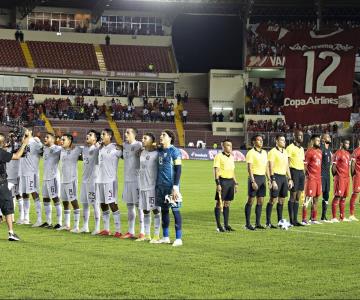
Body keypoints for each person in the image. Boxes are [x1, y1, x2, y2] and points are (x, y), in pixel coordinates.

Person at [153, 130, 183, 246]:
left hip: (171, 186)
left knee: (175, 211)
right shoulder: (160, 150)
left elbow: (179, 169)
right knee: (164, 211)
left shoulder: (174, 151)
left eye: (163, 135)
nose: (161, 136)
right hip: (161, 186)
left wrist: (175, 187)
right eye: (160, 134)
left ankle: (178, 238)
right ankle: (165, 237)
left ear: (170, 138)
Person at [0, 132, 30, 241]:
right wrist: (24, 143)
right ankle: (11, 233)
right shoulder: (1, 153)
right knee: (8, 208)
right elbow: (17, 156)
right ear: (2, 144)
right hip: (1, 185)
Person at [96, 129, 123, 237]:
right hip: (100, 179)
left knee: (112, 203)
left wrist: (122, 147)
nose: (101, 136)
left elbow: (125, 155)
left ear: (110, 136)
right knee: (103, 204)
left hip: (110, 180)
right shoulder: (101, 148)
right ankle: (106, 229)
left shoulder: (115, 148)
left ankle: (118, 230)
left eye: (104, 134)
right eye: (101, 134)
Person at [136, 132, 161, 242]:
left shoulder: (157, 153)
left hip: (152, 186)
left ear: (152, 140)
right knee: (145, 210)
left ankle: (156, 235)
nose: (142, 139)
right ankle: (147, 235)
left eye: (145, 138)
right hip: (142, 186)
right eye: (142, 138)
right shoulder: (142, 152)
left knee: (155, 210)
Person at [266, 134, 293, 228]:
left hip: (283, 177)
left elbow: (286, 167)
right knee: (273, 199)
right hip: (276, 176)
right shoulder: (272, 152)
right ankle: (268, 222)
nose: (284, 142)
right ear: (276, 141)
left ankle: (280, 221)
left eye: (284, 140)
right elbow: (270, 167)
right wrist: (272, 180)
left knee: (282, 200)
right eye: (281, 140)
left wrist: (290, 179)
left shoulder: (285, 152)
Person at [121, 128, 144, 239]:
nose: (125, 134)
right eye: (125, 132)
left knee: (139, 206)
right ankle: (130, 231)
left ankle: (143, 231)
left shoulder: (140, 145)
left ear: (134, 134)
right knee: (129, 206)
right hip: (127, 180)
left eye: (128, 132)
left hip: (137, 180)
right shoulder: (124, 145)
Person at [58, 134, 82, 232]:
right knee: (65, 202)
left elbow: (86, 149)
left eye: (64, 139)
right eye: (61, 139)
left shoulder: (77, 150)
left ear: (70, 140)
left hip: (71, 180)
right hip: (63, 180)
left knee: (74, 201)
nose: (61, 141)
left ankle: (76, 226)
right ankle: (66, 224)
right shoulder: (61, 150)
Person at [19, 128, 43, 226]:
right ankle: (26, 218)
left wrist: (40, 143)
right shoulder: (23, 141)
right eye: (24, 130)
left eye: (26, 130)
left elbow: (42, 152)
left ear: (30, 131)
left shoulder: (35, 141)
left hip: (31, 171)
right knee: (24, 193)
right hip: (23, 171)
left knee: (34, 193)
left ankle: (39, 219)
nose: (25, 131)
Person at [213, 139, 238, 232]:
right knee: (219, 203)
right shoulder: (218, 156)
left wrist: (235, 183)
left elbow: (233, 171)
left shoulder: (231, 157)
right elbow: (216, 171)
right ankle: (219, 225)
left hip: (230, 181)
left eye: (231, 145)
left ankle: (226, 225)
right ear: (223, 146)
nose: (230, 147)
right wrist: (217, 183)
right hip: (222, 181)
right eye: (227, 145)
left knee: (227, 203)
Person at [80, 130, 101, 234]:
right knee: (84, 204)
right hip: (84, 181)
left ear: (95, 139)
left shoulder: (97, 149)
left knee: (94, 204)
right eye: (87, 134)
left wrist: (99, 146)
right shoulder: (84, 149)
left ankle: (97, 228)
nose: (87, 136)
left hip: (93, 181)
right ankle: (85, 226)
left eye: (90, 135)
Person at [244, 134, 268, 230]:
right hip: (254, 178)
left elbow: (266, 167)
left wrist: (269, 179)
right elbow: (249, 168)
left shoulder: (265, 153)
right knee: (251, 200)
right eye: (258, 140)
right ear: (254, 142)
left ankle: (257, 223)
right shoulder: (251, 153)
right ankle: (247, 224)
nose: (261, 141)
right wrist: (253, 181)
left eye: (261, 140)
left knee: (261, 201)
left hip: (262, 178)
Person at [41, 132, 62, 229]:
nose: (45, 138)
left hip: (53, 177)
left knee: (55, 198)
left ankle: (59, 222)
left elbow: (65, 150)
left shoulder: (57, 149)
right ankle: (48, 222)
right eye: (45, 137)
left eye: (47, 137)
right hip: (45, 177)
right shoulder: (45, 149)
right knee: (45, 198)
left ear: (53, 140)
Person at [286, 130, 305, 226]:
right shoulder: (290, 148)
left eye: (302, 136)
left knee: (298, 197)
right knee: (292, 196)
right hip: (294, 172)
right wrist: (289, 178)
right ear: (295, 137)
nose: (301, 137)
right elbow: (287, 164)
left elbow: (302, 161)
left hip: (301, 172)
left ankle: (295, 220)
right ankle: (291, 219)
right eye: (299, 136)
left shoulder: (301, 149)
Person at [304, 135, 323, 224]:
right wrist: (307, 176)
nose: (319, 142)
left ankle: (313, 219)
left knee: (316, 199)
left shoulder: (320, 152)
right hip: (311, 179)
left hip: (318, 179)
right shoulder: (309, 152)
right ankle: (304, 219)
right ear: (312, 141)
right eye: (317, 140)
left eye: (319, 140)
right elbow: (305, 166)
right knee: (307, 199)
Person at [331, 138, 351, 222]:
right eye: (346, 143)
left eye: (349, 144)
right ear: (342, 144)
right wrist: (336, 177)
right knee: (337, 196)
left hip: (347, 178)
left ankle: (342, 217)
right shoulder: (337, 153)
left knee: (343, 198)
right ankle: (334, 217)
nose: (348, 145)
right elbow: (333, 167)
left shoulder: (348, 154)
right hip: (340, 178)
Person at [6, 132, 22, 223]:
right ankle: (11, 217)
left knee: (18, 195)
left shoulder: (17, 147)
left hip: (16, 174)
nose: (11, 137)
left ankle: (23, 217)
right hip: (8, 174)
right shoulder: (7, 146)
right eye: (9, 136)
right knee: (10, 196)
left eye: (12, 136)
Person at [320, 133, 332, 222]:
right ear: (323, 139)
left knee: (326, 195)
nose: (330, 138)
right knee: (316, 195)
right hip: (321, 175)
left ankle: (323, 216)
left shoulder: (329, 149)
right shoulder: (321, 148)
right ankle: (312, 217)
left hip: (327, 176)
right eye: (328, 137)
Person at [350, 138, 360, 221]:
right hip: (358, 175)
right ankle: (351, 214)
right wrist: (353, 175)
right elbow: (352, 164)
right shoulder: (356, 151)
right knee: (355, 193)